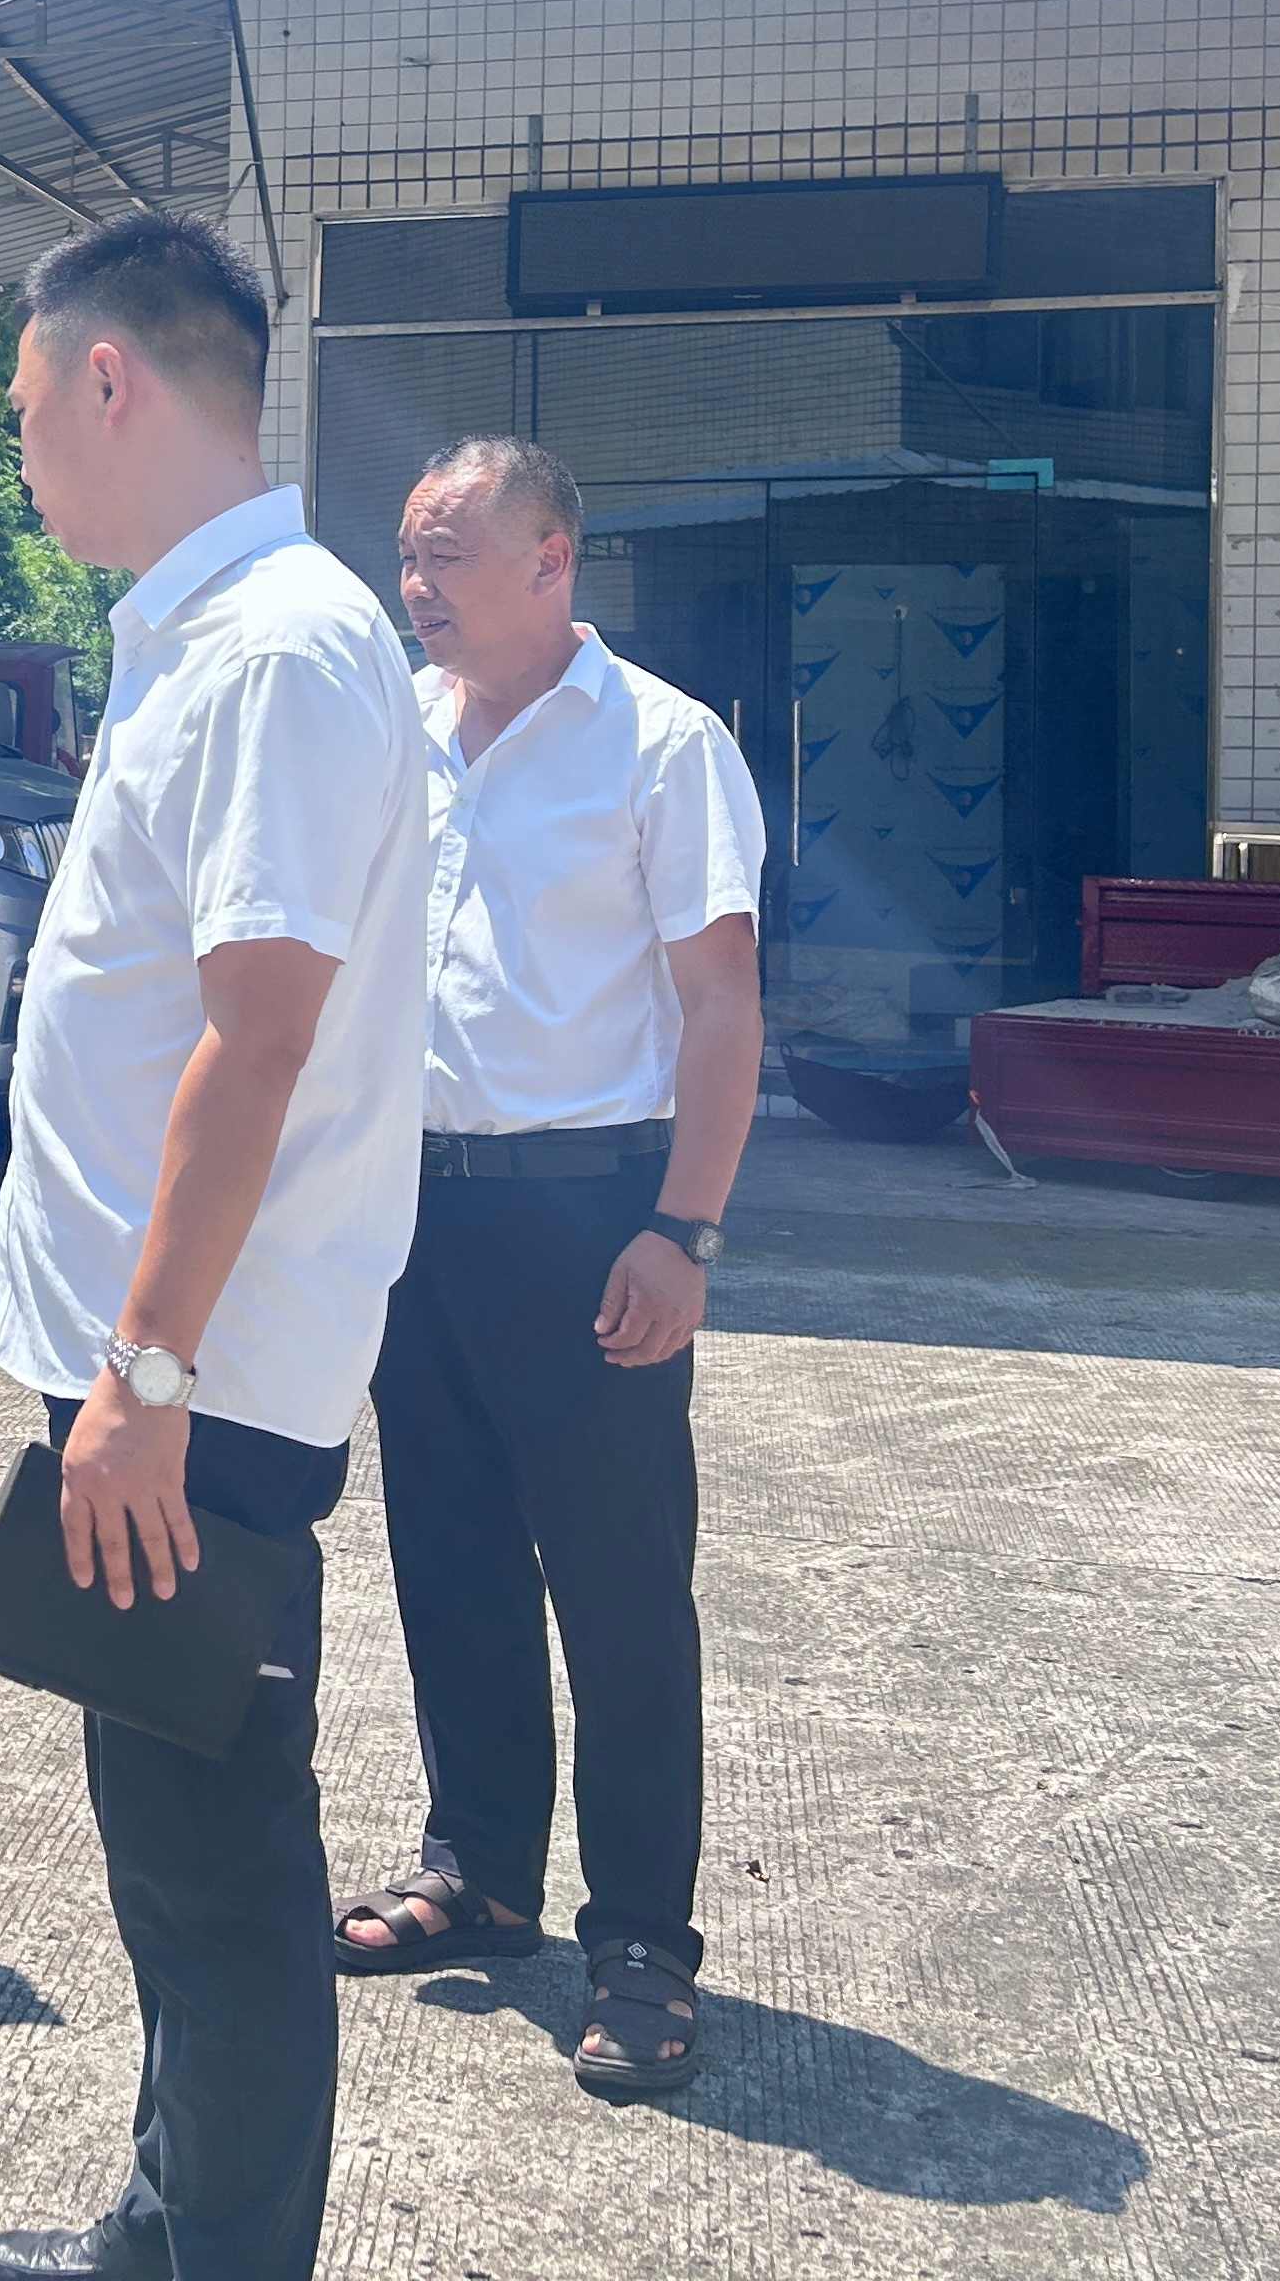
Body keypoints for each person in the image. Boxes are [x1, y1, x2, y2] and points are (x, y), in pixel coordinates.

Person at [0, 214, 427, 2281]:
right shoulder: (215, 638)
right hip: (162, 1372)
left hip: (197, 1386)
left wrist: (143, 1376)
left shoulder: (275, 652)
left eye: (22, 411)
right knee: (171, 1856)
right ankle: (165, 2232)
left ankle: (218, 2260)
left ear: (109, 377)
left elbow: (256, 1039)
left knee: (221, 1872)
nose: (18, 455)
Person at [326, 435, 764, 2100]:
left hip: (591, 1218)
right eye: (407, 552)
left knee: (620, 1588)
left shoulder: (661, 743)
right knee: (448, 1558)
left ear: (552, 559)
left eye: (447, 553)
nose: (415, 584)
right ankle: (482, 1871)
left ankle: (642, 1940)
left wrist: (684, 1228)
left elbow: (721, 1006)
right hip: (416, 1210)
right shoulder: (400, 730)